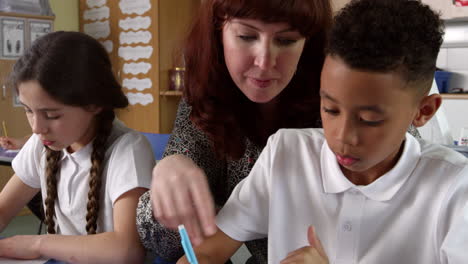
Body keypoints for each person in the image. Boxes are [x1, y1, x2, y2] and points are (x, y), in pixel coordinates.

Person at [177, 0, 468, 263]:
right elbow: (205, 253)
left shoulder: (454, 189)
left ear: (424, 111)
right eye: (330, 109)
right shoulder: (286, 154)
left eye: (369, 119)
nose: (342, 138)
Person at [136, 0, 334, 262]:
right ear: (218, 33)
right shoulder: (207, 100)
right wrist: (170, 167)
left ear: (309, 42)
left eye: (286, 40)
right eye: (247, 36)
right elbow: (178, 245)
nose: (264, 62)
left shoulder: (335, 109)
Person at [0, 31, 155, 263]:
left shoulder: (128, 150)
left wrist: (38, 243)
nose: (36, 127)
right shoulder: (41, 145)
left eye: (51, 115)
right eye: (28, 110)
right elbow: (3, 210)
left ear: (94, 103)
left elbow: (127, 249)